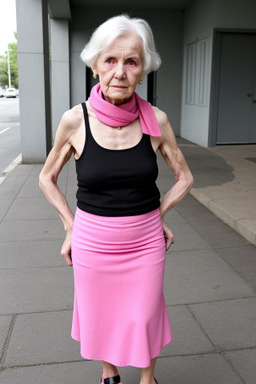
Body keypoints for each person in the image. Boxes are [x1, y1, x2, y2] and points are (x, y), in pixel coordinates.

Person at [39, 14, 193, 384]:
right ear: (95, 66)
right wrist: (69, 225)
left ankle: (147, 378)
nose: (120, 72)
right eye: (110, 60)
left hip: (144, 242)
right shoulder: (75, 121)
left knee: (145, 314)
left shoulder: (156, 120)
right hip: (92, 240)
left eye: (131, 61)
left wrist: (156, 214)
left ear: (143, 70)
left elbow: (185, 177)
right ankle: (109, 374)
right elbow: (47, 177)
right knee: (101, 315)